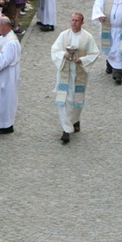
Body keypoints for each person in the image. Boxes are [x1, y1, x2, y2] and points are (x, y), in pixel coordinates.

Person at [50, 13, 100, 144]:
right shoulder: (63, 35)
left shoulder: (87, 37)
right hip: (65, 73)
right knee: (64, 100)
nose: (74, 23)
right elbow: (54, 51)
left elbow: (95, 53)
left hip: (79, 74)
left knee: (76, 100)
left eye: (77, 21)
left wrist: (82, 60)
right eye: (72, 20)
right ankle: (66, 130)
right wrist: (64, 54)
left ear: (82, 22)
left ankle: (75, 120)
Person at [0, 17, 21, 134]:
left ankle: (5, 125)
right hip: (3, 75)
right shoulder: (6, 38)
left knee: (5, 100)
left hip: (7, 77)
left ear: (5, 27)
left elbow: (4, 61)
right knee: (1, 100)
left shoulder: (11, 42)